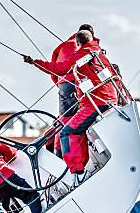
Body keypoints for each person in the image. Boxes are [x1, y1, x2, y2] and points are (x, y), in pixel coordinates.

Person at [23, 30, 118, 181]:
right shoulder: (101, 53)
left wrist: (34, 62)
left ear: (78, 43)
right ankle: (84, 165)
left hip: (93, 104)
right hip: (111, 99)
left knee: (66, 133)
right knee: (78, 130)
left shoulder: (81, 54)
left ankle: (78, 173)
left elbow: (57, 69)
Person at [49, 24, 95, 157]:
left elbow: (53, 71)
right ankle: (82, 156)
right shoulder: (91, 44)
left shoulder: (62, 46)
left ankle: (59, 155)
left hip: (64, 84)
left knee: (64, 120)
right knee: (86, 117)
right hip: (82, 82)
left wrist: (61, 86)